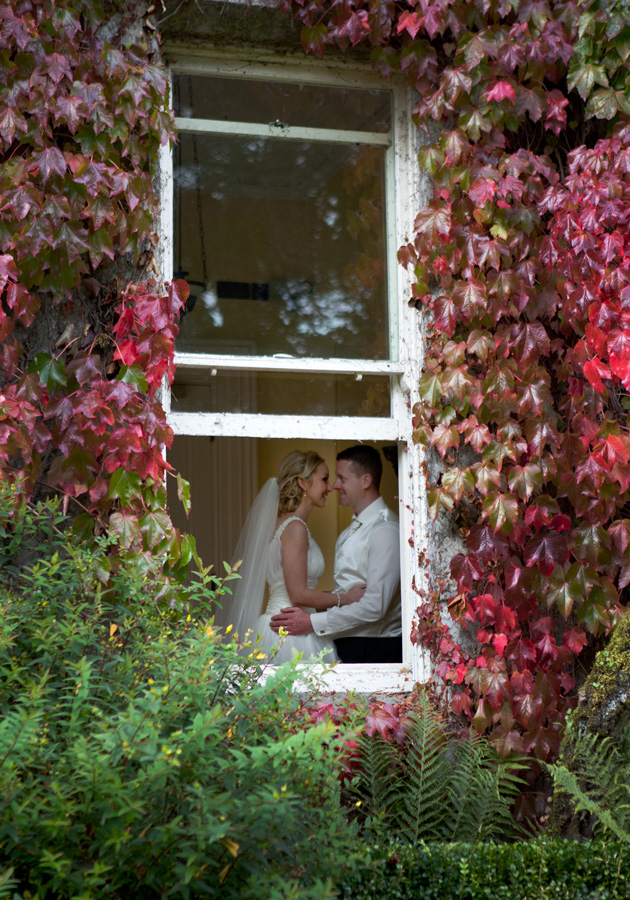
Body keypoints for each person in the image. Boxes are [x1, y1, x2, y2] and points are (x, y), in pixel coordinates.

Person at [214, 450, 365, 664]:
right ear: (302, 483)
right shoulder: (295, 528)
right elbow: (298, 595)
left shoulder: (285, 525)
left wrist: (336, 595)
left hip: (286, 624)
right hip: (288, 633)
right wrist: (345, 599)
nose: (330, 487)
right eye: (324, 479)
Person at [270, 445, 402, 663]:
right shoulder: (347, 533)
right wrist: (338, 598)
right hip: (345, 643)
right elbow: (349, 592)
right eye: (330, 479)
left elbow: (375, 606)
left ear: (365, 481)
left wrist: (313, 621)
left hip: (374, 649)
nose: (334, 486)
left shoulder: (385, 529)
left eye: (341, 478)